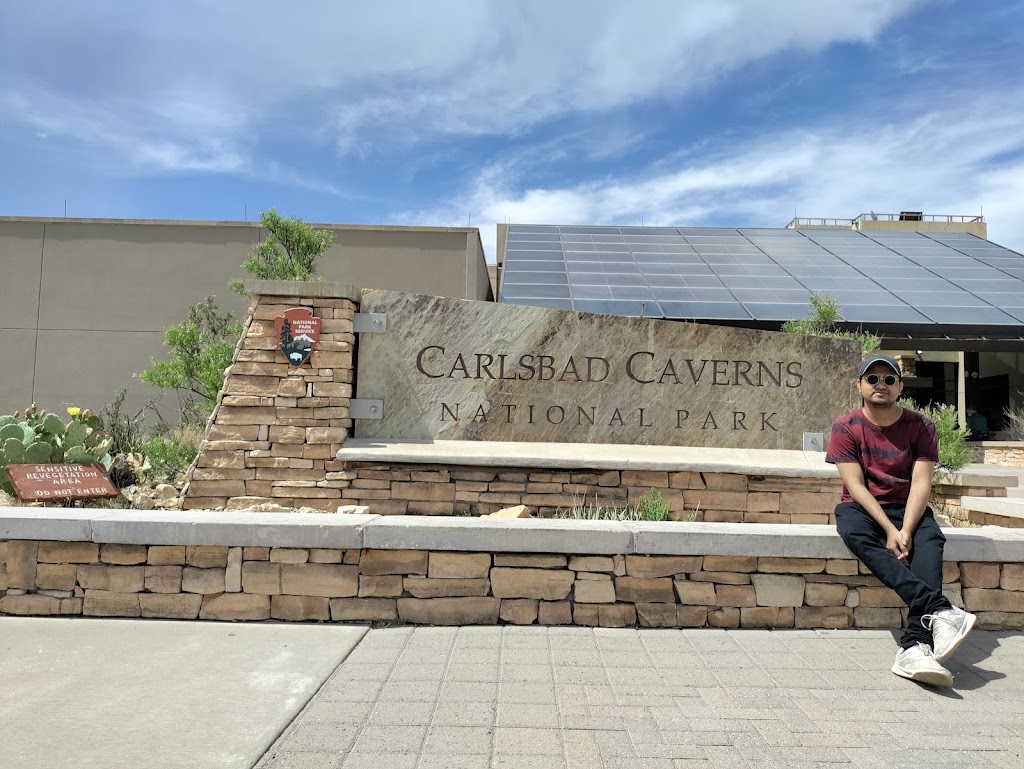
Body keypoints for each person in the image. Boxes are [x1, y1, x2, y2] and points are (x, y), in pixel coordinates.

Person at [825, 355, 975, 687]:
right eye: (873, 379)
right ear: (859, 385)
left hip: (908, 506)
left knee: (930, 542)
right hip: (863, 508)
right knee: (852, 529)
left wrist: (905, 529)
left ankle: (914, 646)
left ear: (900, 387)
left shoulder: (922, 426)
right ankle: (940, 610)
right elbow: (856, 487)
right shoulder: (845, 428)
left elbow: (921, 483)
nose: (881, 384)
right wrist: (890, 530)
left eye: (889, 379)